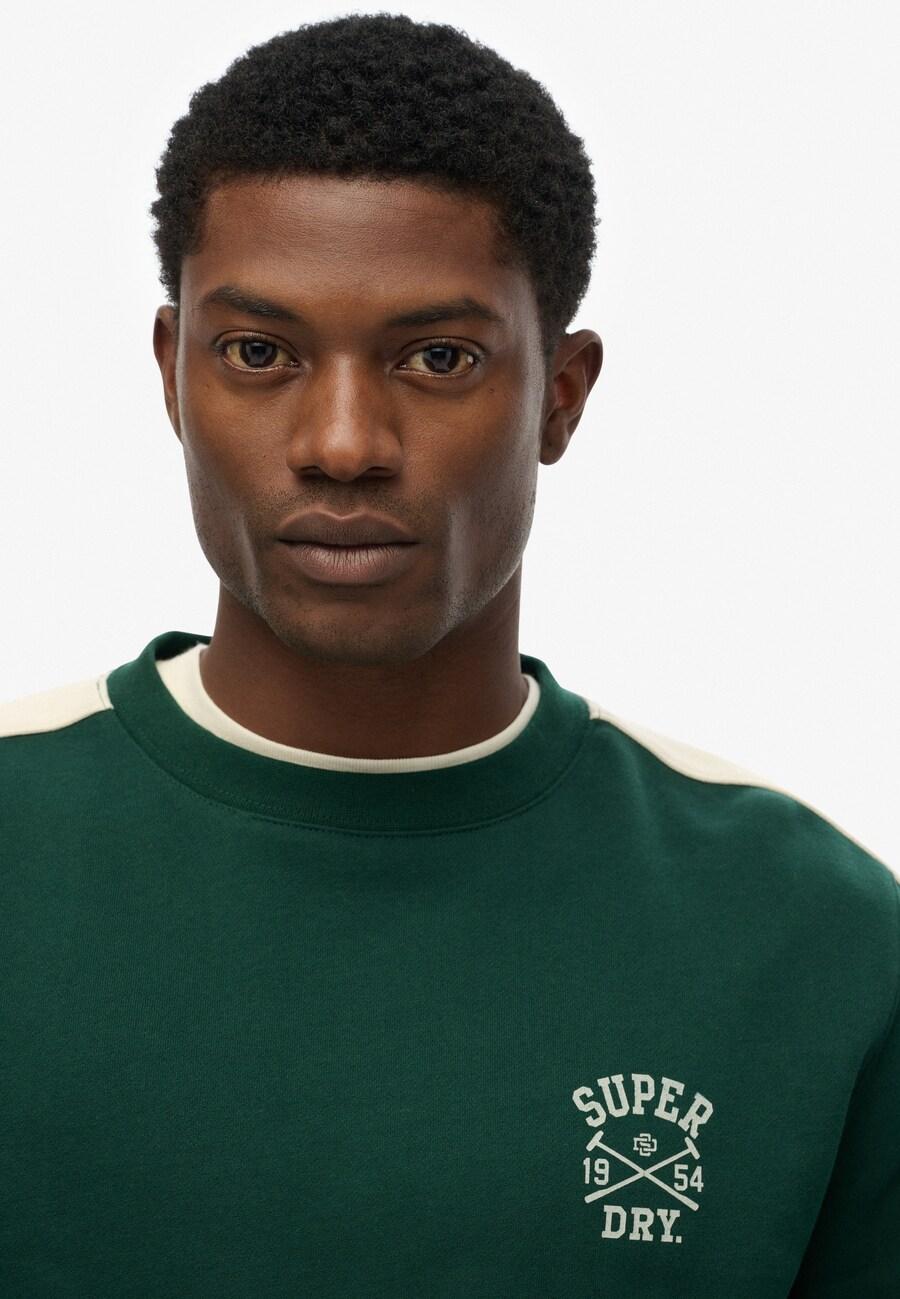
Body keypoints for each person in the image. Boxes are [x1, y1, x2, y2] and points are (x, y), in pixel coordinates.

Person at [1, 13, 896, 1297]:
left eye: (438, 358)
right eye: (259, 353)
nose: (344, 444)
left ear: (560, 395)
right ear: (171, 376)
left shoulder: (813, 940)